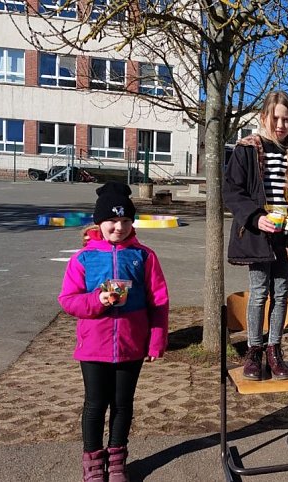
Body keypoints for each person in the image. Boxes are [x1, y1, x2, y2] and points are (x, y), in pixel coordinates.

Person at [58, 182, 169, 482]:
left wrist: (156, 341)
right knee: (95, 404)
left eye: (125, 221)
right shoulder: (82, 258)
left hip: (132, 345)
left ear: (132, 222)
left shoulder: (144, 256)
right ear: (99, 222)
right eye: (112, 221)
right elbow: (68, 300)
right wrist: (98, 300)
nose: (118, 227)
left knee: (123, 404)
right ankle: (93, 463)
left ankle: (117, 460)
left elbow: (159, 300)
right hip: (94, 345)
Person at [222, 91, 288, 381]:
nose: (281, 125)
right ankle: (253, 351)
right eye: (275, 118)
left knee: (280, 294)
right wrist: (255, 218)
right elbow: (233, 191)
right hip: (259, 233)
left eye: (286, 119)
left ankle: (273, 349)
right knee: (258, 293)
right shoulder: (248, 149)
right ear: (264, 117)